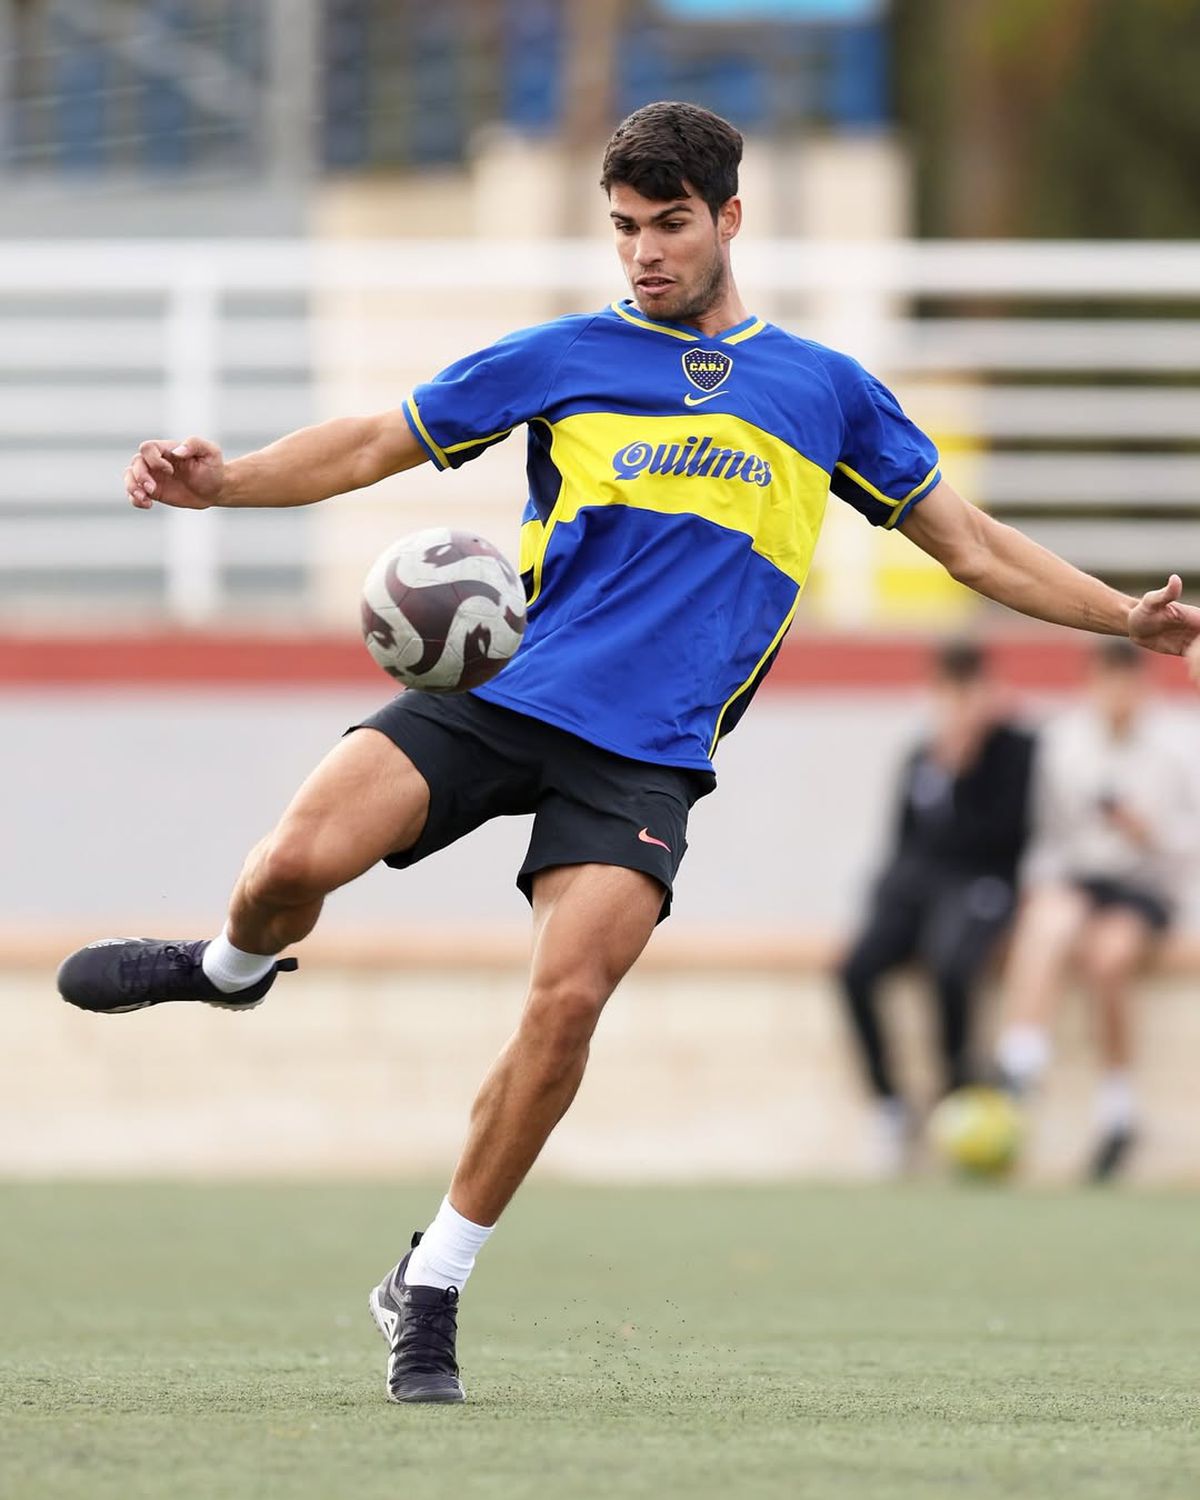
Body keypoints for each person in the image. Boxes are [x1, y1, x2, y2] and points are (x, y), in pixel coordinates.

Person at [56, 102, 1200, 1403]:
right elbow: (377, 440)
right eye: (623, 228)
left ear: (729, 219)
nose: (644, 252)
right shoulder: (565, 356)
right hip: (507, 693)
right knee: (290, 863)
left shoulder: (826, 392)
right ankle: (229, 967)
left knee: (566, 1006)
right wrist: (224, 482)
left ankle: (430, 1284)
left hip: (645, 756)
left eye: (669, 225)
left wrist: (1123, 617)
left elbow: (973, 546)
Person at [994, 639, 1199, 1179]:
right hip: (1081, 879)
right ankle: (1020, 1061)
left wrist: (1146, 832)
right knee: (1048, 922)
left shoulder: (1176, 744)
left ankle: (1117, 1105)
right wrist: (1044, 887)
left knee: (1109, 959)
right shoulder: (1063, 742)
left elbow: (1188, 840)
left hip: (1146, 883)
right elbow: (1049, 834)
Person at [838, 641, 1034, 1171]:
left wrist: (964, 771)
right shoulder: (921, 757)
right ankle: (889, 1102)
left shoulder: (1015, 751)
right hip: (918, 888)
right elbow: (903, 843)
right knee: (855, 970)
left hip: (981, 881)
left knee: (949, 964)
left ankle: (957, 1093)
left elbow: (1007, 836)